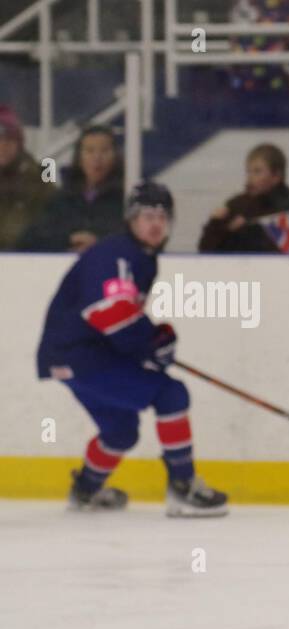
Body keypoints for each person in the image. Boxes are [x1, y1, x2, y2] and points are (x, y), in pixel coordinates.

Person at [35, 181, 229, 517]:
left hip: (73, 355)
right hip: (81, 354)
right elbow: (108, 310)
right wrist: (150, 343)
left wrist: (149, 344)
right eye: (146, 215)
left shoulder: (141, 257)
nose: (155, 223)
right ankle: (182, 488)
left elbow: (119, 317)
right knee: (171, 394)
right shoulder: (119, 254)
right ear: (131, 219)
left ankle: (85, 491)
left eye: (162, 216)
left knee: (121, 431)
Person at [18, 125, 125, 252]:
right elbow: (30, 239)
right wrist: (69, 239)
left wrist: (99, 243)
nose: (97, 158)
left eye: (104, 150)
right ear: (79, 157)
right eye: (90, 151)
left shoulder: (125, 198)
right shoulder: (62, 199)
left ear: (116, 156)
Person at [198, 143, 289, 252]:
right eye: (248, 171)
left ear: (276, 176)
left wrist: (248, 230)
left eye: (257, 171)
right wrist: (216, 224)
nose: (250, 178)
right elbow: (205, 251)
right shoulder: (236, 205)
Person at [0, 106, 55, 251]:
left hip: (28, 259)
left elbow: (53, 218)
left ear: (20, 144)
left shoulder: (40, 177)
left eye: (9, 140)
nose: (3, 146)